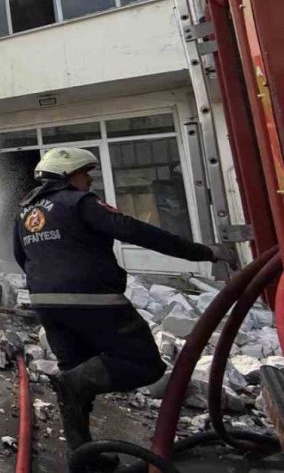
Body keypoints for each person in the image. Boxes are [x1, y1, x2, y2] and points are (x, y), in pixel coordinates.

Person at [12, 147, 235, 470]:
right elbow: (136, 231)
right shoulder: (79, 202)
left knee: (75, 380)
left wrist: (48, 284)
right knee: (143, 364)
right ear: (67, 174)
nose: (89, 179)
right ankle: (72, 385)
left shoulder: (25, 213)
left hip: (47, 303)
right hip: (94, 299)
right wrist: (204, 253)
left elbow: (21, 257)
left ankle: (84, 457)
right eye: (84, 173)